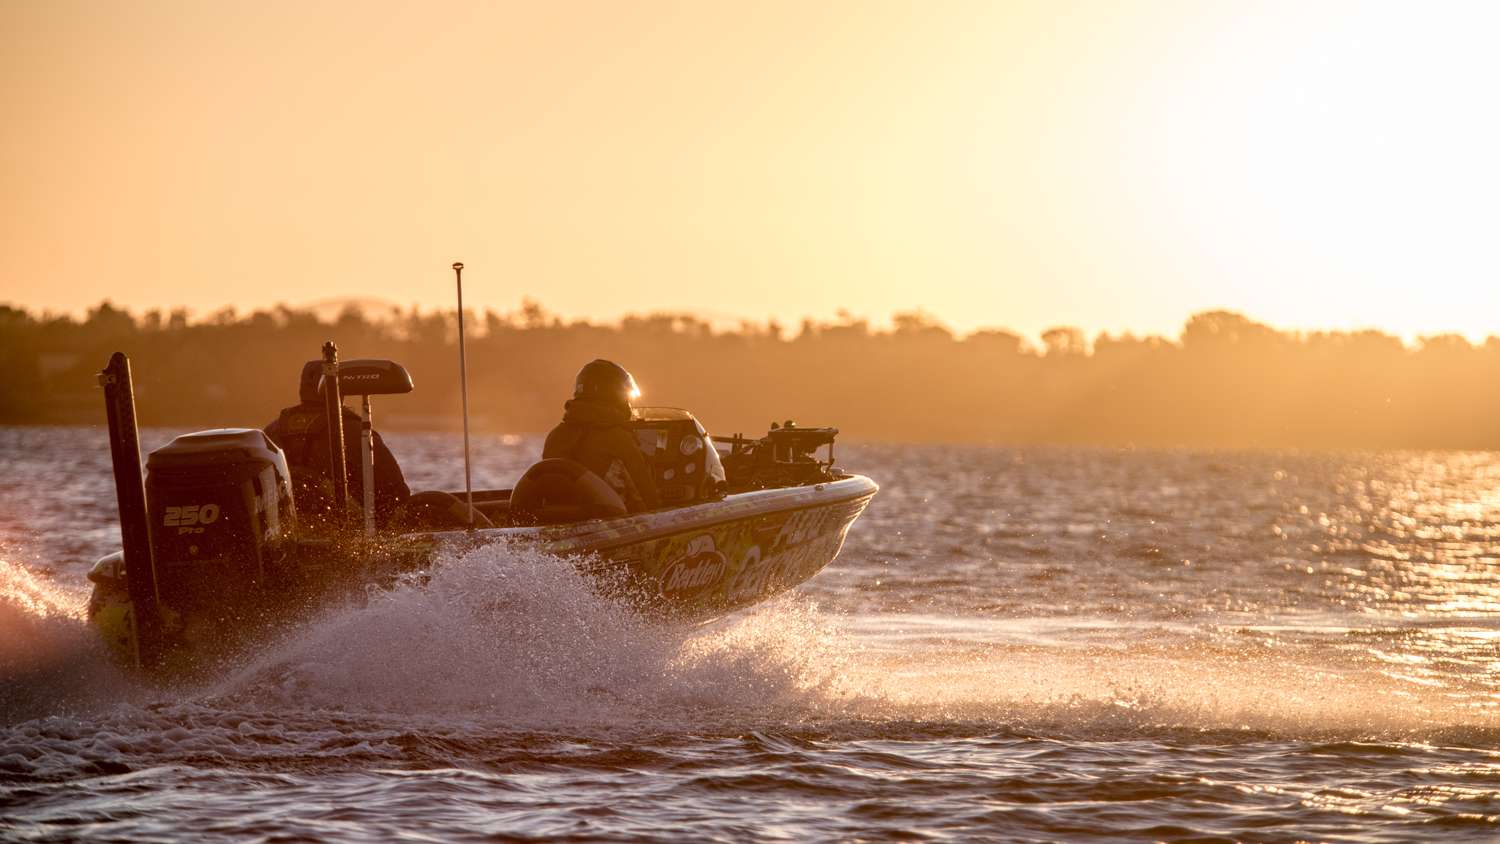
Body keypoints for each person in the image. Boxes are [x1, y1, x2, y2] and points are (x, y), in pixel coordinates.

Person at [264, 361, 410, 527]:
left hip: (287, 529)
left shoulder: (271, 431)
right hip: (347, 531)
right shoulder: (357, 431)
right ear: (341, 387)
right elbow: (397, 494)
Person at [542, 359, 661, 512]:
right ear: (615, 396)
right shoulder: (619, 438)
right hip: (607, 524)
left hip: (557, 520)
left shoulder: (555, 435)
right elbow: (646, 498)